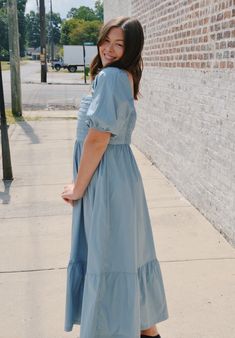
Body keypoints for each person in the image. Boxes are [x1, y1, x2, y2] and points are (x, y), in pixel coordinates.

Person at [61, 16, 169, 338]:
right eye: (106, 40)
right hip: (118, 178)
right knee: (126, 260)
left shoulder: (109, 78)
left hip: (104, 180)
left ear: (131, 48)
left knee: (109, 263)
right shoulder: (123, 76)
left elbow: (98, 138)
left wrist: (78, 188)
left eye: (119, 44)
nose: (109, 49)